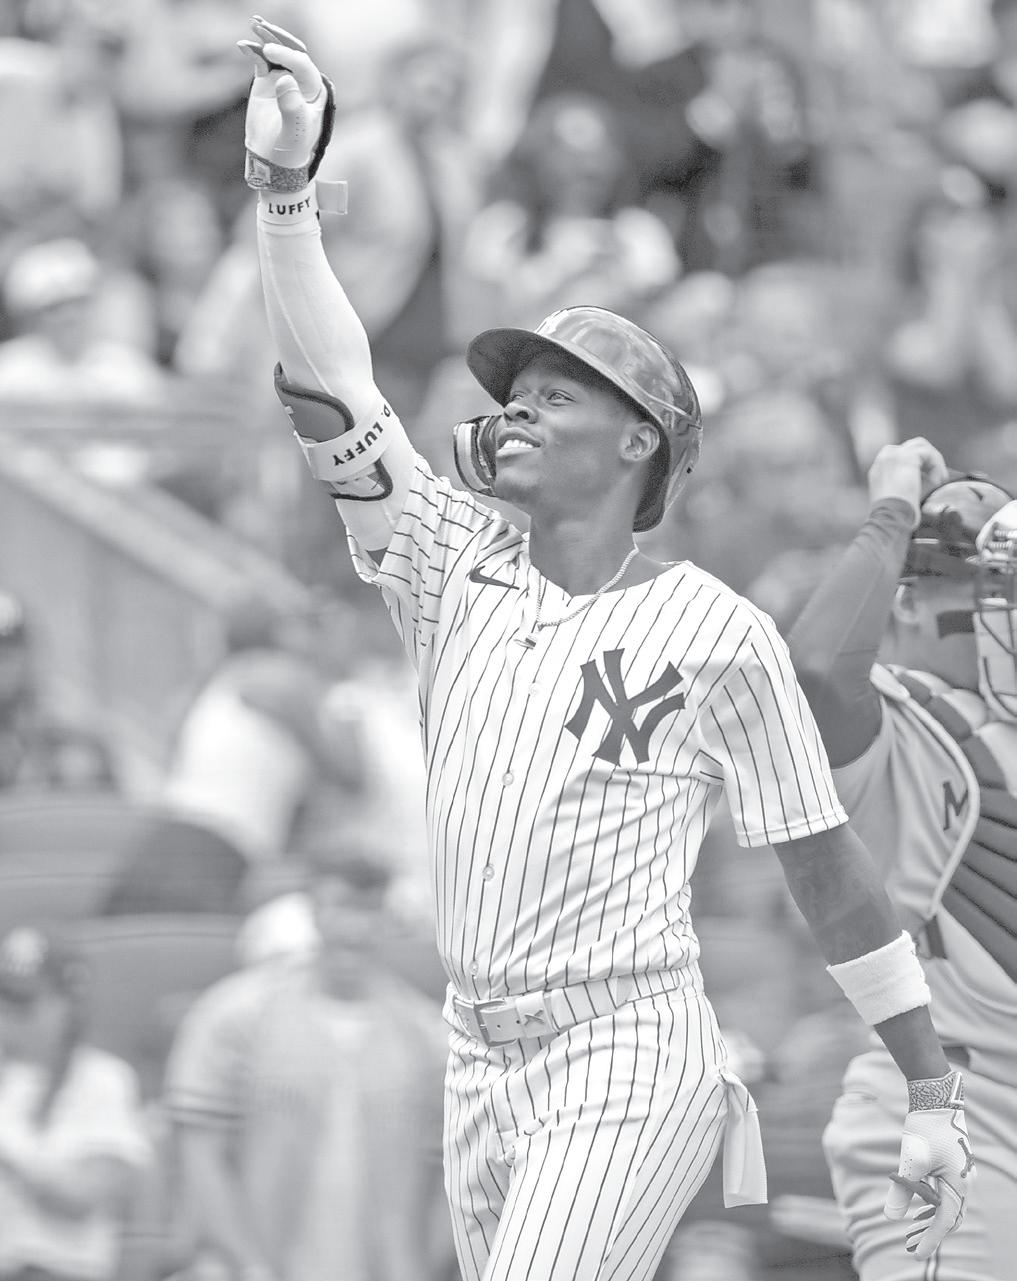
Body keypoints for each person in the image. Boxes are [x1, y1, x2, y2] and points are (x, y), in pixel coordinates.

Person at [234, 19, 973, 1280]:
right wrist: (288, 192)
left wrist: (928, 1083)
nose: (517, 410)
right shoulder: (448, 559)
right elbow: (336, 385)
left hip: (627, 1047)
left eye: (556, 394)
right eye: (515, 392)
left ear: (640, 443)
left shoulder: (717, 631)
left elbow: (824, 865)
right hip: (478, 1055)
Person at [787, 437, 1017, 1280]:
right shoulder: (895, 717)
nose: (1002, 611)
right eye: (983, 589)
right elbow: (815, 674)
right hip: (954, 1106)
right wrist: (890, 512)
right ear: (909, 600)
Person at [164, 840, 453, 1281]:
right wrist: (250, 1267)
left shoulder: (428, 1036)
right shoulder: (233, 1017)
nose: (353, 927)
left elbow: (454, 1179)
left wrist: (420, 1270)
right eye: (340, 905)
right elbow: (201, 1160)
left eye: (369, 908)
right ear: (312, 909)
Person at [0, 923, 152, 1281]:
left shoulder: (103, 1080)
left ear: (67, 1004)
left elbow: (80, 1198)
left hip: (59, 1270)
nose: (7, 1016)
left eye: (23, 1003)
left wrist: (8, 1148)